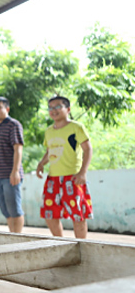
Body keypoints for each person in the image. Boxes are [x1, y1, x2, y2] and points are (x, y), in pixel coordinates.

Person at [36, 95, 93, 239]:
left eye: (57, 107)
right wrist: (41, 163)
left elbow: (88, 149)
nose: (53, 110)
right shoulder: (49, 131)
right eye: (50, 107)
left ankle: (81, 246)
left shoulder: (76, 127)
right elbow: (50, 151)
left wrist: (82, 172)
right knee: (49, 214)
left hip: (73, 177)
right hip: (52, 179)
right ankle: (60, 242)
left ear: (67, 109)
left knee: (78, 215)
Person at [0, 96, 25, 233]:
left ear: (7, 109)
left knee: (14, 209)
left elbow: (18, 148)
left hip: (10, 175)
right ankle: (12, 236)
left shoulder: (13, 125)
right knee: (6, 210)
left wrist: (15, 171)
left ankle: (18, 238)